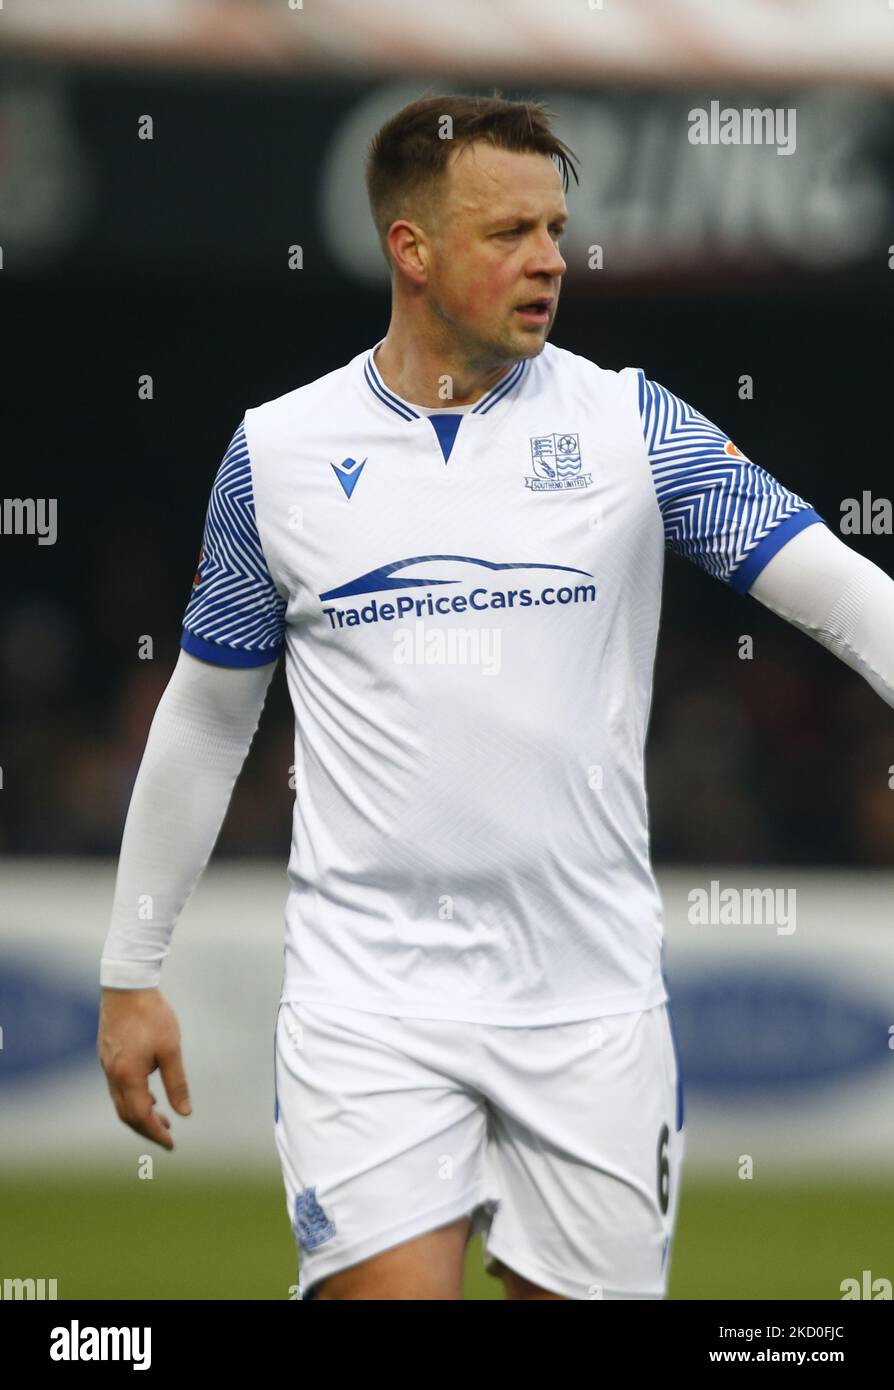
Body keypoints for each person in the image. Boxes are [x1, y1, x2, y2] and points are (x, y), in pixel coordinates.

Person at [97, 92, 894, 1301]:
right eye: (509, 232)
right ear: (411, 250)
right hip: (368, 1006)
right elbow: (209, 717)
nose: (548, 261)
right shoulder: (277, 453)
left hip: (591, 1010)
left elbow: (844, 595)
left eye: (557, 230)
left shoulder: (634, 427)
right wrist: (130, 963)